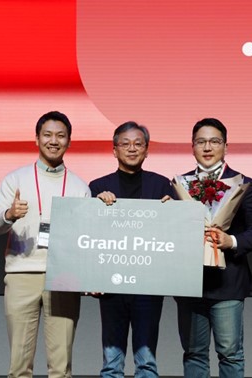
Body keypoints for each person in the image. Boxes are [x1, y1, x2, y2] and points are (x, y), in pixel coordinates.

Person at [0, 111, 91, 378]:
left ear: (69, 141)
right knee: (19, 366)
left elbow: (86, 239)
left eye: (60, 135)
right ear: (36, 139)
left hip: (64, 278)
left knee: (61, 366)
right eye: (47, 135)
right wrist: (9, 215)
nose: (53, 141)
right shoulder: (15, 179)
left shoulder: (80, 187)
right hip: (22, 275)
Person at [175, 118, 252, 378]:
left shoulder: (244, 184)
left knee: (230, 353)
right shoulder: (177, 185)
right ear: (192, 147)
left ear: (225, 147)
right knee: (194, 353)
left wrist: (232, 241)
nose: (208, 147)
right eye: (201, 142)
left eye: (214, 141)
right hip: (190, 284)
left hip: (228, 282)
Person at [89, 121, 175, 378]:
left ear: (147, 150)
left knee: (146, 363)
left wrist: (173, 211)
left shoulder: (162, 187)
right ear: (114, 150)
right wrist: (96, 206)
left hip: (149, 285)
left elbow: (171, 235)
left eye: (138, 144)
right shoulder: (97, 187)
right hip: (111, 285)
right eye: (125, 144)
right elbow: (89, 237)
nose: (132, 149)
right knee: (111, 364)